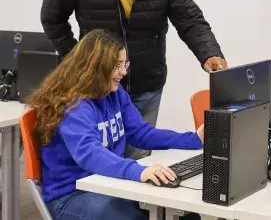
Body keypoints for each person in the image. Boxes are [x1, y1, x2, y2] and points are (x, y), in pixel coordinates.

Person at [40, 0, 227, 159]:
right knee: (100, 162)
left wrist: (209, 52)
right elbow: (52, 18)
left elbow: (189, 19)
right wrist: (79, 60)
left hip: (146, 86)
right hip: (95, 88)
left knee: (138, 161)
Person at [25, 29, 203, 220]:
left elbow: (141, 133)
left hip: (107, 183)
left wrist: (194, 139)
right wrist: (138, 171)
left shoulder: (114, 93)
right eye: (117, 65)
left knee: (185, 214)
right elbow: (89, 154)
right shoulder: (73, 105)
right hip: (71, 194)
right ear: (97, 67)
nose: (124, 72)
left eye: (124, 64)